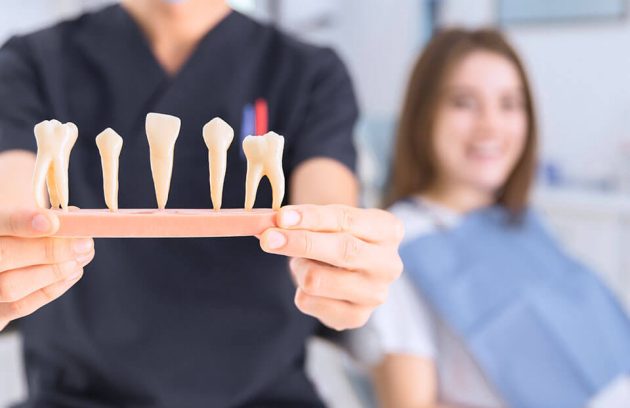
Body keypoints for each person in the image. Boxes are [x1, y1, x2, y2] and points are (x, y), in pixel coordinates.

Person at [0, 0, 403, 406]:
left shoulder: (309, 74)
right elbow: (14, 205)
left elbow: (327, 210)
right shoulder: (30, 64)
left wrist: (340, 267)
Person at [349, 28, 630, 407]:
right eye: (464, 103)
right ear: (423, 113)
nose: (491, 125)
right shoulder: (400, 243)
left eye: (509, 104)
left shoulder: (522, 221)